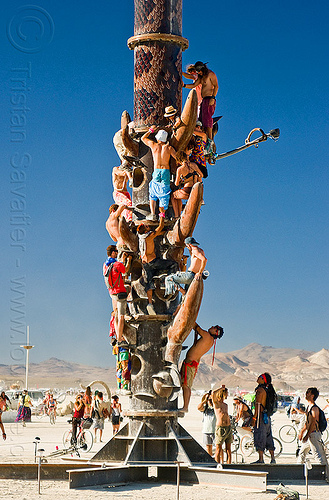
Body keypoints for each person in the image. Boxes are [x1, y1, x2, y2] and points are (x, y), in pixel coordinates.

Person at [137, 217, 177, 315]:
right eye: (147, 226)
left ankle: (150, 304)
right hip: (153, 262)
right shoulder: (149, 236)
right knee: (173, 265)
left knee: (149, 283)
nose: (148, 226)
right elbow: (160, 227)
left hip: (145, 264)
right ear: (145, 230)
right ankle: (167, 282)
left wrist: (163, 232)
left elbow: (158, 232)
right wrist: (162, 216)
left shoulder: (140, 236)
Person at [180, 323, 224, 412]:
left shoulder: (207, 336)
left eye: (213, 327)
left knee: (185, 386)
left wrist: (191, 319)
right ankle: (185, 406)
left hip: (190, 363)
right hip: (193, 364)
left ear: (216, 332)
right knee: (187, 386)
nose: (211, 326)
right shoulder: (211, 341)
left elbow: (197, 328)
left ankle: (185, 407)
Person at [141, 127, 177, 220]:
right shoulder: (169, 148)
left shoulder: (154, 145)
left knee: (153, 192)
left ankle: (153, 214)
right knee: (164, 192)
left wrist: (150, 130)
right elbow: (178, 158)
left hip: (157, 171)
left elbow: (143, 138)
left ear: (158, 138)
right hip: (165, 171)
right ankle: (162, 215)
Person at [182, 61, 218, 140]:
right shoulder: (200, 77)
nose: (194, 73)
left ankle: (209, 139)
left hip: (207, 99)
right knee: (201, 119)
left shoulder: (208, 75)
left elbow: (216, 86)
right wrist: (184, 85)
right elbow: (193, 85)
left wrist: (213, 97)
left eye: (193, 71)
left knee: (206, 119)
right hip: (201, 100)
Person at [103, 245, 128, 345]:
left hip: (112, 292)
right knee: (121, 316)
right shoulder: (117, 264)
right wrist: (127, 260)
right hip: (120, 293)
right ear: (113, 253)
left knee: (116, 314)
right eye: (116, 252)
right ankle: (119, 338)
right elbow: (126, 270)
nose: (117, 254)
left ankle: (117, 335)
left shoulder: (105, 264)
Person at [171, 142, 203, 219]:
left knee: (173, 196)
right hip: (194, 189)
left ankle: (176, 216)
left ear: (178, 160)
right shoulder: (193, 165)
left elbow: (176, 183)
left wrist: (182, 179)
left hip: (187, 191)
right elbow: (201, 175)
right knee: (178, 196)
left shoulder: (180, 169)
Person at [297, 387, 328, 465]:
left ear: (312, 396)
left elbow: (313, 423)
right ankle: (298, 470)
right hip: (310, 434)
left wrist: (307, 435)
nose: (306, 394)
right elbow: (307, 423)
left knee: (319, 456)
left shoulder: (314, 409)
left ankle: (325, 474)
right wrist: (302, 432)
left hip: (314, 434)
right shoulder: (309, 408)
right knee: (302, 453)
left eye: (308, 393)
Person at [252, 373, 276, 464]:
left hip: (260, 417)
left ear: (264, 380)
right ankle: (272, 458)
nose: (258, 378)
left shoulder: (260, 390)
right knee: (268, 436)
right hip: (267, 417)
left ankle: (261, 459)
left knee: (259, 436)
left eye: (260, 377)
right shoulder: (267, 390)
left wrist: (254, 418)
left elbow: (258, 405)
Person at [213, 387, 232, 464]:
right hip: (220, 428)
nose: (227, 395)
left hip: (228, 427)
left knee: (228, 449)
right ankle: (217, 464)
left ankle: (229, 464)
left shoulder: (225, 405)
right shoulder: (216, 404)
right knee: (218, 448)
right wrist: (221, 388)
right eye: (226, 393)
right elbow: (213, 393)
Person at [197, 390, 216, 455]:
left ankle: (218, 460)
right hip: (206, 430)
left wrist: (213, 399)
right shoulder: (205, 408)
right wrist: (205, 400)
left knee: (218, 447)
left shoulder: (216, 407)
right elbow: (199, 407)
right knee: (208, 447)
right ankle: (210, 459)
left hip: (215, 430)